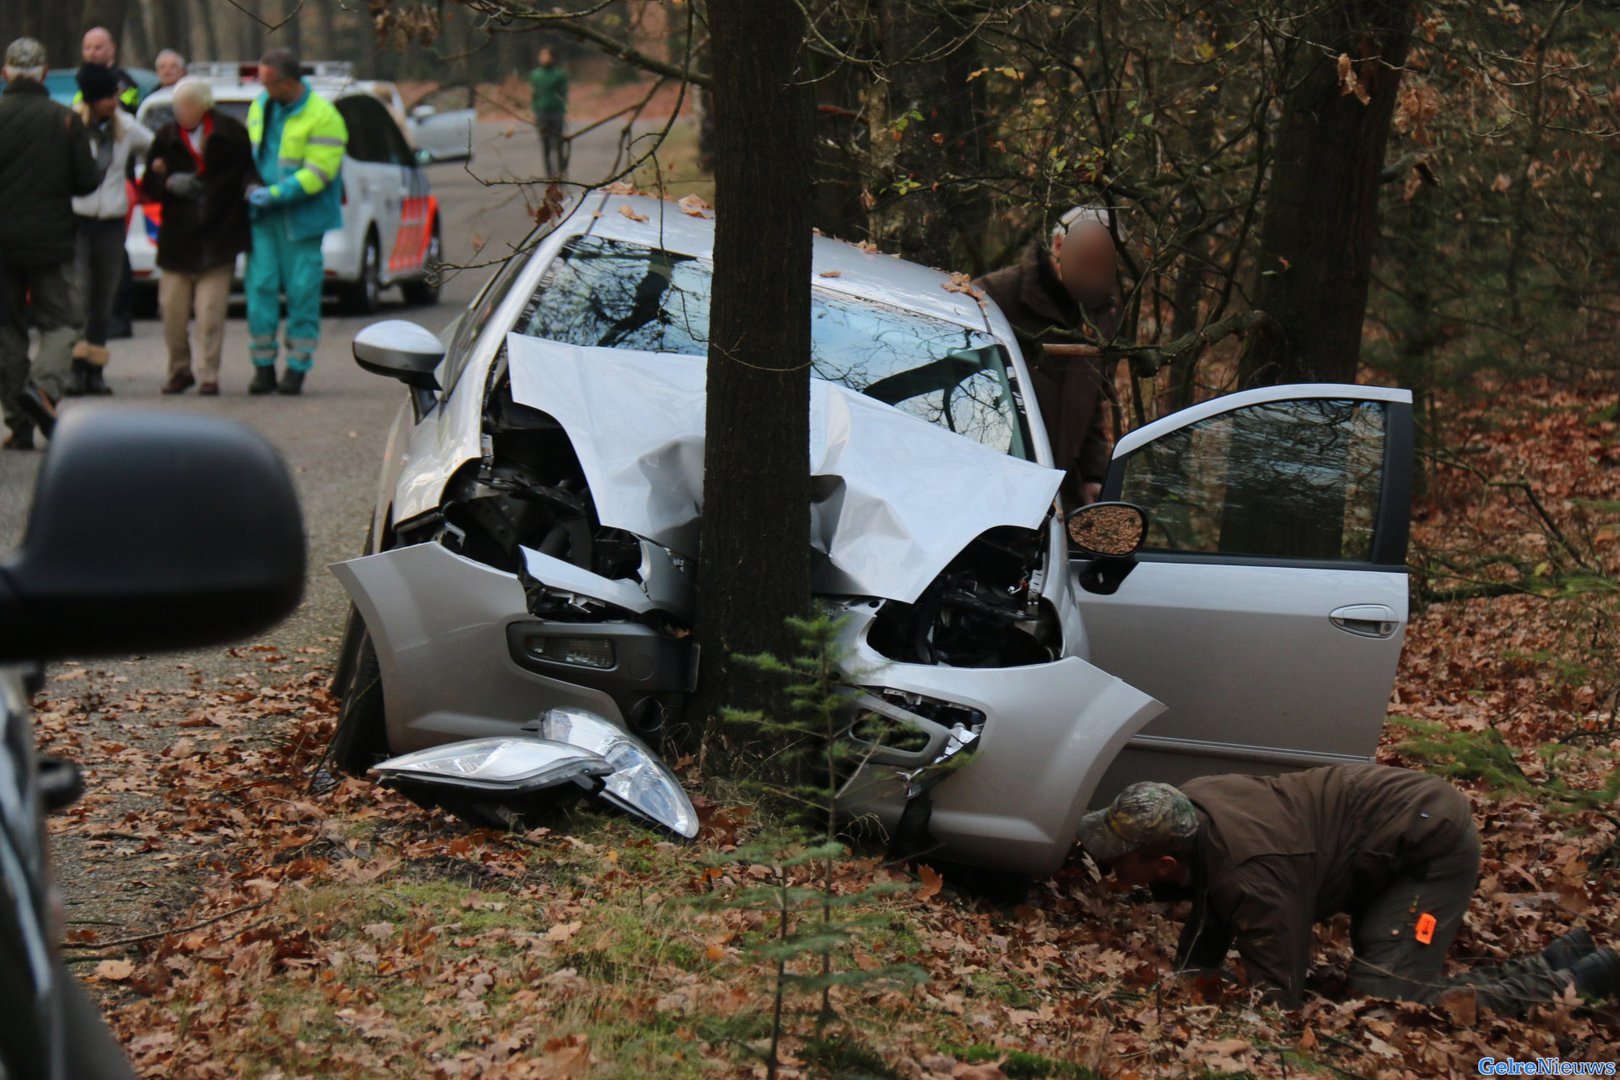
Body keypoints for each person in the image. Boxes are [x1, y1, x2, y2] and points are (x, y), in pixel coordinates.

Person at [1078, 765, 1620, 1015]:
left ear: (1165, 861)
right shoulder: (1193, 807)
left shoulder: (1254, 874)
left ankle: (1574, 983)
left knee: (1387, 998)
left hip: (1427, 847)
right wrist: (1190, 977)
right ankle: (1559, 957)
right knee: (1392, 982)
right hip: (1388, 835)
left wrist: (1253, 1012)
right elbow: (1211, 906)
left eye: (1118, 861)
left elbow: (1278, 997)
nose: (1108, 867)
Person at [975, 208, 1124, 507]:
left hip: (1058, 494)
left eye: (1104, 265)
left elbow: (1095, 397)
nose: (1095, 274)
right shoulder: (995, 297)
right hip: (994, 485)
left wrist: (1094, 475)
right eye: (1087, 260)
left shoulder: (1102, 314)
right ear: (1058, 247)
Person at [0, 38, 102, 450]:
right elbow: (86, 182)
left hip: (1, 245)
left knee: (6, 329)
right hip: (51, 241)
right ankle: (42, 390)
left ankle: (18, 423)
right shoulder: (64, 120)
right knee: (62, 323)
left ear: (5, 72)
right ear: (44, 73)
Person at [142, 77, 256, 395]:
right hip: (178, 240)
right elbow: (148, 184)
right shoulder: (165, 138)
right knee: (172, 312)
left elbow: (247, 170)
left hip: (218, 236)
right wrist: (165, 182)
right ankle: (179, 370)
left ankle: (209, 374)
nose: (183, 112)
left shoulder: (230, 134)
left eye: (189, 105)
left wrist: (251, 188)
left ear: (204, 105)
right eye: (178, 106)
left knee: (210, 314)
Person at [243, 47, 347, 396]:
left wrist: (276, 193)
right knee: (260, 288)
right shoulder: (262, 105)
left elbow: (319, 173)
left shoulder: (324, 116)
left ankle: (298, 366)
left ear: (289, 81)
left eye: (268, 82)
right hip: (263, 218)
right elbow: (252, 152)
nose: (263, 88)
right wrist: (251, 187)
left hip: (301, 220)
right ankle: (262, 366)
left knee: (302, 291)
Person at [69, 63, 151, 397]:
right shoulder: (70, 125)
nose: (112, 103)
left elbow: (157, 148)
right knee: (78, 296)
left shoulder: (127, 127)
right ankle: (75, 367)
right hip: (76, 220)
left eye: (113, 97)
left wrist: (157, 169)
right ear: (92, 99)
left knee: (104, 297)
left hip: (111, 223)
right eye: (105, 98)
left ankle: (95, 369)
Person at [76, 27, 139, 113]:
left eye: (97, 48)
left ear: (111, 48)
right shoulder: (82, 81)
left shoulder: (125, 82)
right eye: (87, 48)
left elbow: (127, 109)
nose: (91, 53)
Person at [528, 46, 568, 178]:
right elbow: (533, 94)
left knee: (558, 144)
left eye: (546, 55)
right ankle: (549, 173)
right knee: (545, 145)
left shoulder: (559, 74)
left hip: (556, 112)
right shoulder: (535, 75)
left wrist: (563, 109)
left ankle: (561, 171)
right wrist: (535, 110)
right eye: (542, 55)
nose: (544, 58)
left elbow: (564, 93)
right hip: (542, 112)